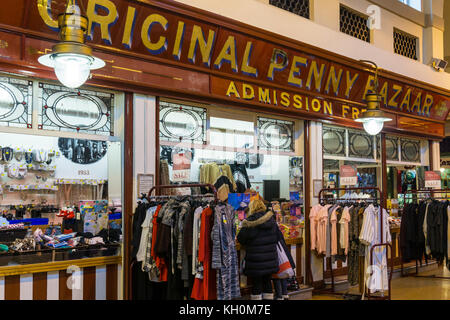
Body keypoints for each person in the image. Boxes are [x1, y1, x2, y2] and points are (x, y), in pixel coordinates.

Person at [237, 199, 279, 300]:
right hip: (270, 259)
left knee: (256, 284)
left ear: (252, 208)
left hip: (255, 260)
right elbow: (277, 237)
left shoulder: (249, 221)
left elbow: (241, 239)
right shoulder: (271, 220)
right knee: (267, 281)